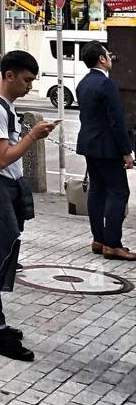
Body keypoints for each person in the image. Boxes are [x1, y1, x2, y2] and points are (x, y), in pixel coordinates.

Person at [0, 51, 56, 361]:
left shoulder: (1, 107)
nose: (30, 86)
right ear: (10, 75)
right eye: (27, 80)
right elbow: (1, 157)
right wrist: (34, 135)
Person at [76, 41, 136, 261]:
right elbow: (116, 121)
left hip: (89, 145)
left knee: (97, 191)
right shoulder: (106, 84)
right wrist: (127, 151)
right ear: (102, 59)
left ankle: (99, 239)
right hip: (108, 147)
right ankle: (112, 244)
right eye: (108, 55)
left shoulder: (83, 83)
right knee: (119, 192)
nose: (110, 57)